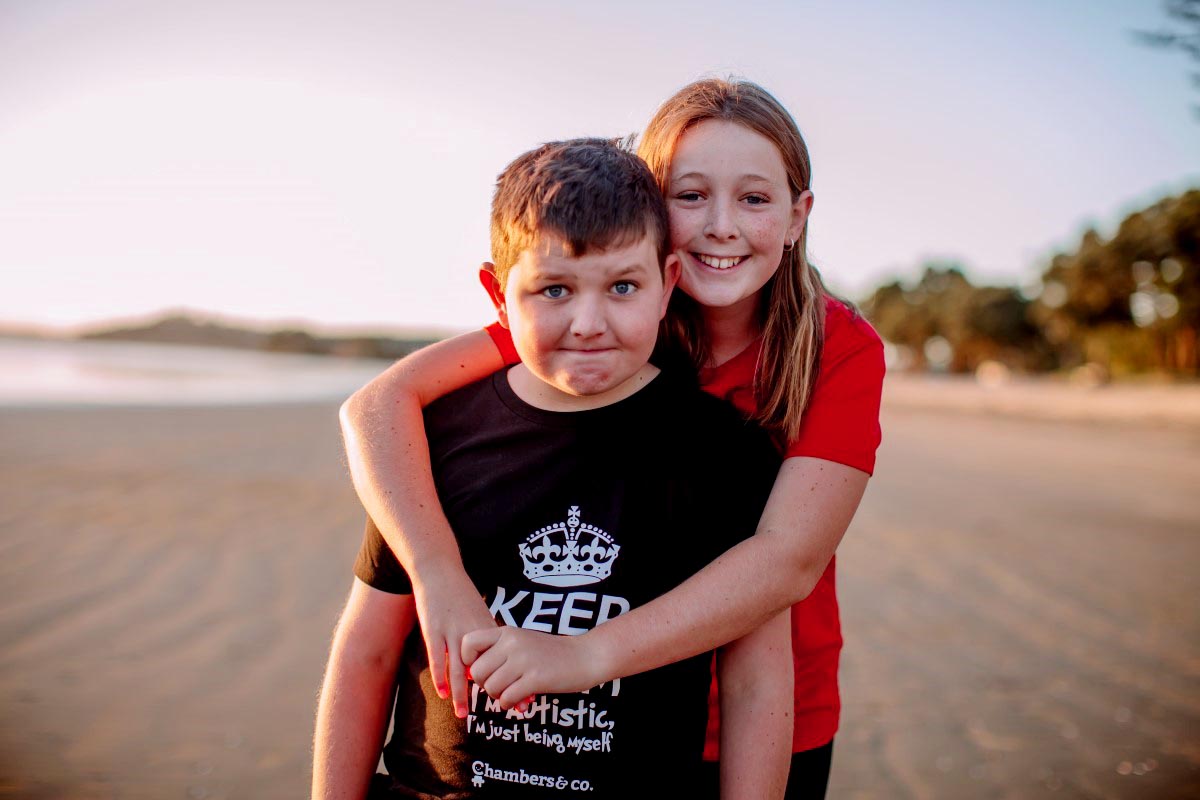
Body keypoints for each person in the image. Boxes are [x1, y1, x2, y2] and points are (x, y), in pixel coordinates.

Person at [339, 78, 884, 800]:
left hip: (764, 712)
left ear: (796, 216)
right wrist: (436, 573)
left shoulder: (836, 346)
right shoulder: (608, 314)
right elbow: (378, 404)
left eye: (754, 198)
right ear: (653, 206)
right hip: (588, 720)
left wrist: (584, 655)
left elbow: (786, 563)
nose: (721, 225)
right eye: (691, 196)